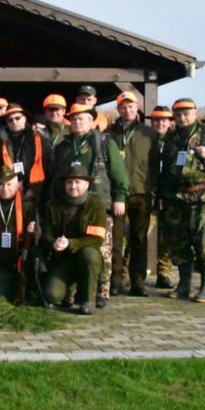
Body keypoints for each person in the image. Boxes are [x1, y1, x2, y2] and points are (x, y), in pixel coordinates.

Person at [52, 103, 129, 307]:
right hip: (70, 206)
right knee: (74, 246)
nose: (77, 122)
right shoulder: (63, 147)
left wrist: (120, 197)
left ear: (91, 121)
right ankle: (77, 290)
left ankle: (101, 291)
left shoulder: (104, 142)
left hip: (98, 205)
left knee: (101, 249)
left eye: (82, 118)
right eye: (74, 118)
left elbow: (119, 172)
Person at [158, 98, 205, 303]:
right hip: (177, 197)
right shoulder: (172, 136)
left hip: (204, 196)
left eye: (186, 113)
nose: (182, 118)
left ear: (195, 113)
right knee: (178, 241)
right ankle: (184, 284)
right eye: (178, 114)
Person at [107, 91, 156, 296]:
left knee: (139, 239)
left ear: (137, 108)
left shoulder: (149, 133)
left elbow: (155, 164)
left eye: (131, 106)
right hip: (117, 194)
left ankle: (138, 282)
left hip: (141, 192)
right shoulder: (109, 133)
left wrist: (153, 188)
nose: (127, 110)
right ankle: (115, 281)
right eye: (123, 107)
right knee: (116, 240)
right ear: (118, 109)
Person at [42, 164, 107, 315]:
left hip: (86, 256)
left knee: (90, 255)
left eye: (78, 182)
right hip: (64, 259)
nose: (73, 186)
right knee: (51, 295)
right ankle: (69, 291)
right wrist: (54, 243)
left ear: (87, 184)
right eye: (69, 182)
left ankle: (88, 300)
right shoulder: (53, 205)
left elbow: (96, 239)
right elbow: (46, 236)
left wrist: (71, 243)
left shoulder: (96, 205)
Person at [0, 166, 37, 303]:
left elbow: (37, 235)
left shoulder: (27, 205)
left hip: (20, 258)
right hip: (0, 260)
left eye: (9, 184)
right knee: (0, 296)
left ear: (17, 184)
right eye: (0, 185)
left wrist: (34, 230)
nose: (4, 188)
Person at [0, 103, 54, 210]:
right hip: (7, 194)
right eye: (10, 120)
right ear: (6, 123)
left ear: (25, 119)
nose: (14, 122)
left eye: (17, 118)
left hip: (36, 195)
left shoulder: (40, 139)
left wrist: (34, 189)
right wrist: (9, 186)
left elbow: (49, 167)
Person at [148, 106, 176, 288]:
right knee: (139, 234)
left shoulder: (176, 140)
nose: (160, 123)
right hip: (149, 192)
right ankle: (127, 272)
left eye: (164, 120)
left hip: (169, 194)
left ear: (170, 122)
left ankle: (164, 273)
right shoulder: (145, 139)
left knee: (167, 235)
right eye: (156, 120)